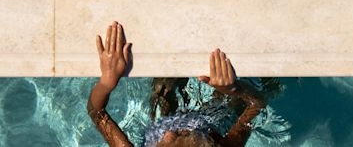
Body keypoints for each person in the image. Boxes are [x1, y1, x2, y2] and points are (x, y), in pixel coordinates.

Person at [87, 20, 269, 147]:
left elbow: (96, 112)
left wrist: (107, 81)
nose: (168, 133)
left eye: (166, 142)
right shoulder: (224, 145)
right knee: (254, 86)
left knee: (162, 86)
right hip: (211, 123)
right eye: (180, 134)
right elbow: (258, 105)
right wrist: (234, 89)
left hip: (166, 116)